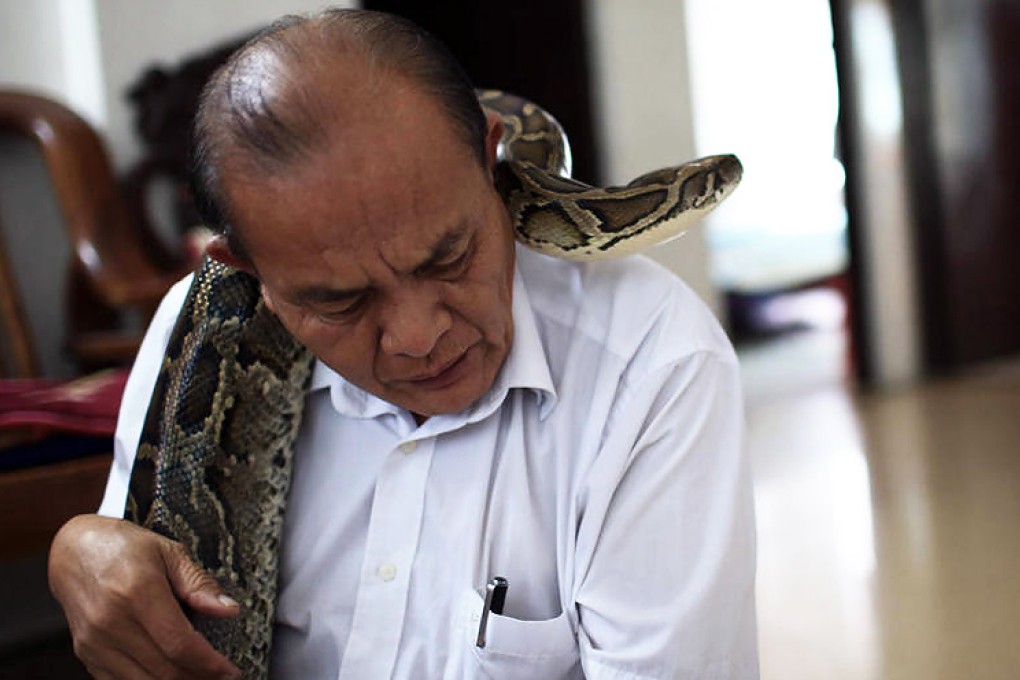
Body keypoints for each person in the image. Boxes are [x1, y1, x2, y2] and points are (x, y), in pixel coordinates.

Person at [48, 8, 758, 680]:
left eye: (448, 257)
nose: (419, 338)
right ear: (248, 271)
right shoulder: (196, 324)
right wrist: (84, 550)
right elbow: (130, 563)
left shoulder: (652, 362)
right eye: (341, 301)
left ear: (490, 158)